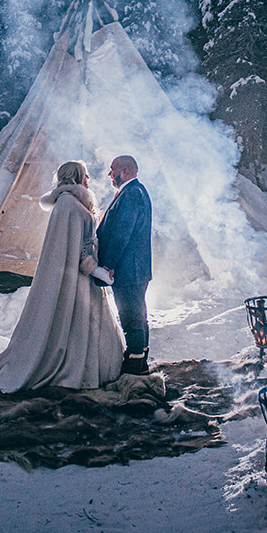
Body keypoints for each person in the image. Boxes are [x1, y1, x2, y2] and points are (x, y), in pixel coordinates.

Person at [0, 161, 124, 393]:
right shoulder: (68, 204)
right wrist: (94, 269)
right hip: (74, 278)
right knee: (72, 321)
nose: (88, 179)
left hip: (81, 278)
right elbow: (76, 248)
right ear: (75, 176)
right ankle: (70, 367)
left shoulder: (73, 202)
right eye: (84, 175)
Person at [96, 155, 153, 376]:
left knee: (131, 317)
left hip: (129, 269)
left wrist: (109, 264)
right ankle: (141, 359)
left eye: (113, 170)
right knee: (138, 315)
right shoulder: (136, 191)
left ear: (126, 171)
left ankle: (135, 365)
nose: (110, 174)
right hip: (136, 268)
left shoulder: (130, 195)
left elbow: (122, 233)